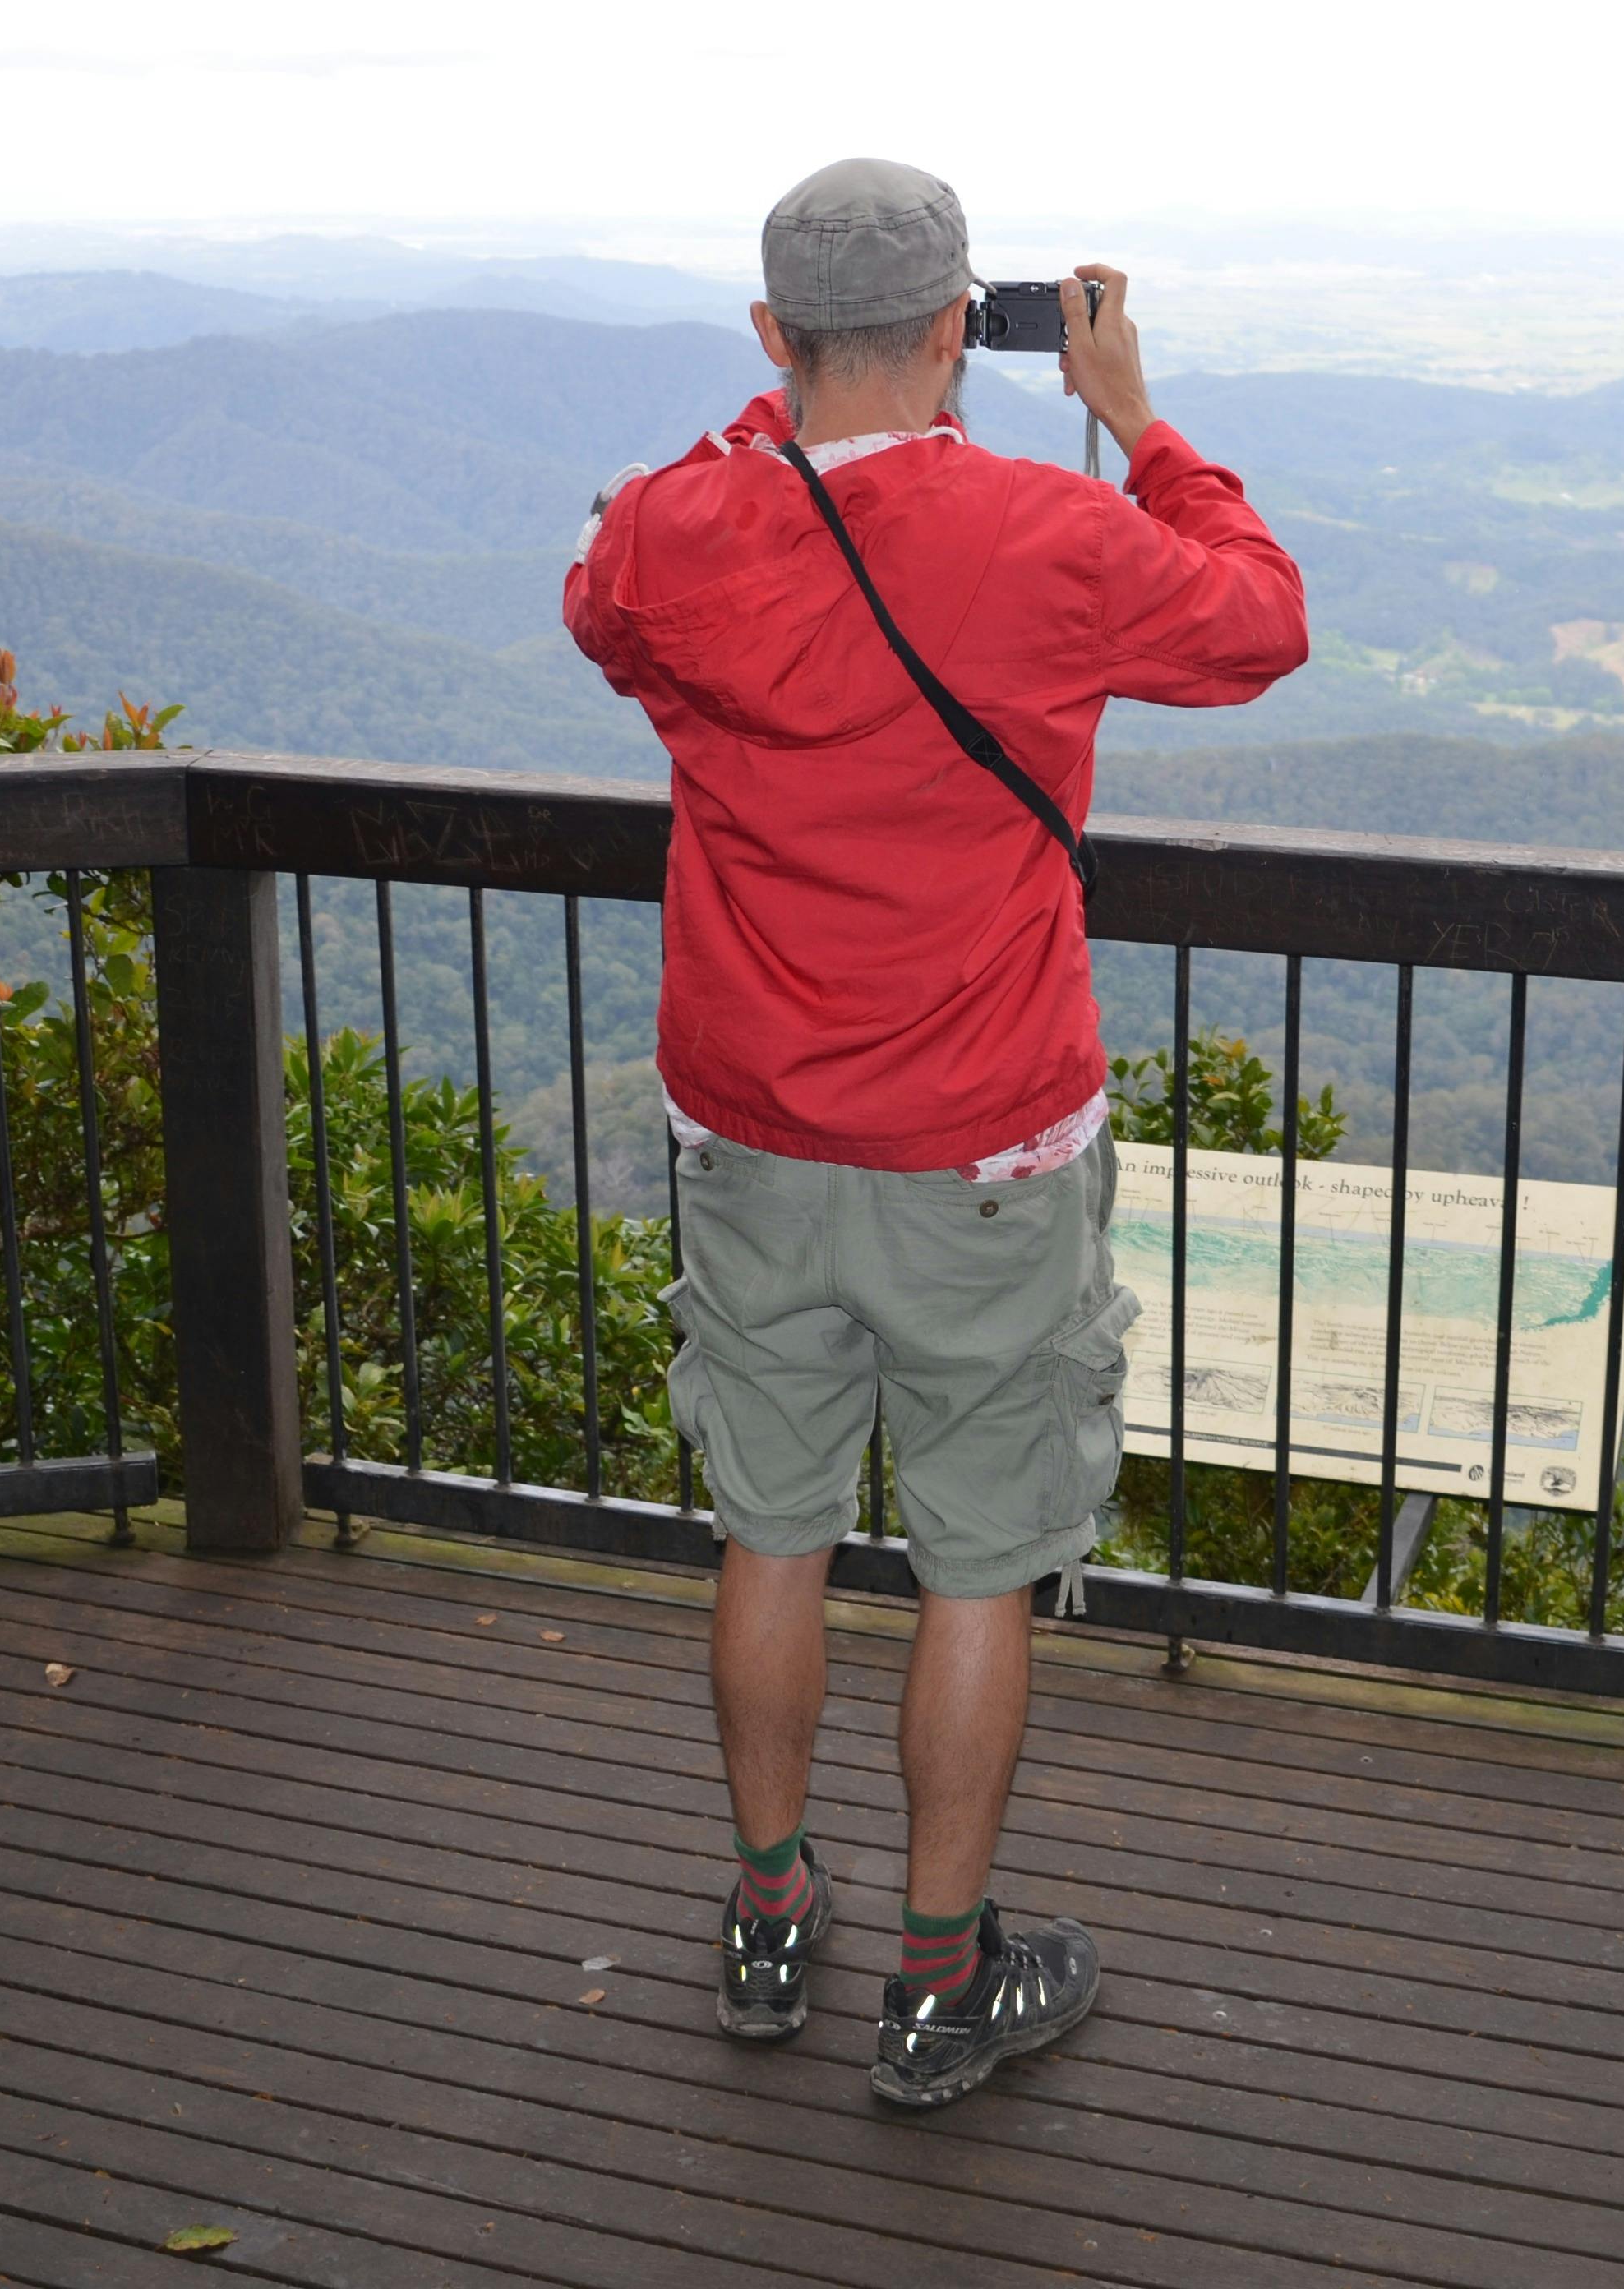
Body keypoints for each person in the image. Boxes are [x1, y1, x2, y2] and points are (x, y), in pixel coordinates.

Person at [562, 159, 1307, 2107]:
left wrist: (765, 434)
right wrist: (1136, 418)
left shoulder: (674, 528)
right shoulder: (1044, 531)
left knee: (771, 1529)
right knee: (973, 1566)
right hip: (982, 1146)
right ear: (966, 325)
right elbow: (1259, 626)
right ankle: (937, 1979)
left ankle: (765, 1917)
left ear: (771, 335)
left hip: (749, 1132)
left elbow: (605, 606)